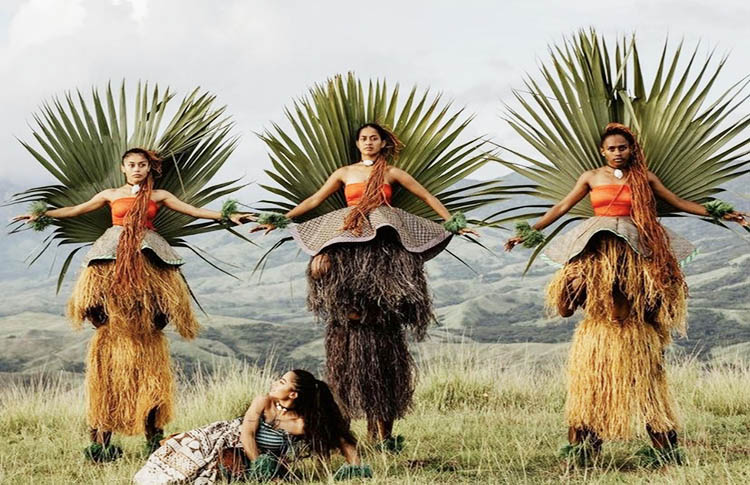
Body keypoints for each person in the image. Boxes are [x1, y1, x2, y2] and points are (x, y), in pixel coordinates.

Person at [505, 123, 747, 464]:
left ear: (631, 149)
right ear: (602, 152)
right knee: (571, 291)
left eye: (623, 147)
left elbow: (680, 202)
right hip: (598, 241)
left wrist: (726, 214)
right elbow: (560, 209)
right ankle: (582, 452)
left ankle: (663, 451)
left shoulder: (644, 178)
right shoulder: (590, 177)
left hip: (636, 243)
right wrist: (527, 233)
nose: (618, 152)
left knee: (651, 290)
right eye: (612, 148)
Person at [13, 148, 253, 461]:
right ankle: (100, 447)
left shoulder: (160, 195)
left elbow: (194, 211)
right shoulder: (111, 194)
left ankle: (155, 446)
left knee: (152, 390)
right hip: (111, 300)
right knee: (105, 391)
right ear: (123, 168)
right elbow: (76, 210)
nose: (137, 169)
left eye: (142, 165)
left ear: (149, 168)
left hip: (148, 275)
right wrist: (41, 215)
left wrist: (227, 216)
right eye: (131, 165)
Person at [253, 123, 476, 449]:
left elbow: (426, 196)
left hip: (384, 238)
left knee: (384, 363)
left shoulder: (394, 173)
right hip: (350, 235)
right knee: (346, 351)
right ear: (357, 143)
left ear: (383, 142)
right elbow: (315, 199)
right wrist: (281, 220)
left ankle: (384, 437)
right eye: (363, 138)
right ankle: (346, 435)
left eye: (374, 138)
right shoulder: (344, 172)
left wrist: (454, 223)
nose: (368, 142)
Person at [133, 369, 371, 484]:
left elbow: (343, 440)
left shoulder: (303, 425)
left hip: (254, 458)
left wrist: (355, 469)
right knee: (189, 453)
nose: (274, 383)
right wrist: (259, 464)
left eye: (281, 382)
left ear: (294, 394)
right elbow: (246, 432)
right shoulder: (263, 402)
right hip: (226, 437)